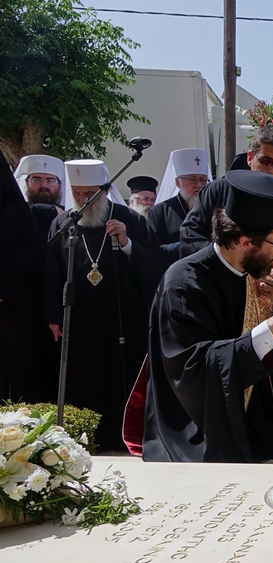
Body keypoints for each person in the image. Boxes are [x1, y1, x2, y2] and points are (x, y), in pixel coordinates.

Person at [141, 171, 273, 462]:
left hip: (246, 419)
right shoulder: (183, 284)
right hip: (198, 431)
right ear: (245, 242)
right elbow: (195, 370)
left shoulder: (254, 274)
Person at [44, 159, 158, 450]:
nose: (84, 201)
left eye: (91, 194)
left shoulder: (128, 218)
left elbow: (154, 267)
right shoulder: (63, 223)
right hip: (79, 320)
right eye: (79, 194)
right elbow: (52, 271)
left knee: (120, 379)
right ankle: (86, 439)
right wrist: (53, 315)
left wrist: (127, 242)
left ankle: (125, 439)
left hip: (121, 318)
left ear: (104, 191)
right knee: (83, 381)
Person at [178, 124, 273, 305]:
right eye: (266, 161)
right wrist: (227, 259)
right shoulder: (220, 191)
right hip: (219, 295)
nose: (272, 171)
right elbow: (190, 234)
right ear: (250, 157)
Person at [0, 152, 47, 403]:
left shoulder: (17, 212)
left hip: (12, 308)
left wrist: (4, 292)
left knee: (16, 373)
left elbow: (29, 259)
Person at [146, 148, 212, 272]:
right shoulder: (159, 212)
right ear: (178, 182)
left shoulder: (214, 209)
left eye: (203, 180)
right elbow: (152, 252)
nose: (198, 185)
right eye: (191, 179)